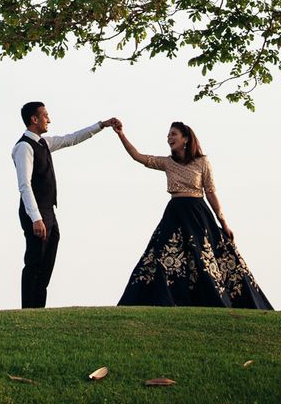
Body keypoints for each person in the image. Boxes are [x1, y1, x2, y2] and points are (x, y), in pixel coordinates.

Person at [113, 119, 272, 310]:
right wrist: (121, 135)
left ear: (185, 139)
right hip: (174, 213)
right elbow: (138, 156)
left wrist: (224, 222)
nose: (169, 138)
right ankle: (164, 300)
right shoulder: (167, 163)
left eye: (173, 134)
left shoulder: (202, 162)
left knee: (204, 257)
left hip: (197, 213)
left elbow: (211, 192)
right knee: (162, 255)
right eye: (168, 134)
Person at [13, 102, 120, 309]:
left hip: (49, 212)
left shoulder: (45, 143)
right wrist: (36, 218)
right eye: (45, 115)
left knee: (46, 264)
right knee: (34, 262)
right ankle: (27, 311)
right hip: (35, 213)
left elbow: (71, 139)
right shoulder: (24, 147)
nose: (49, 119)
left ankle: (38, 311)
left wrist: (102, 125)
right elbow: (24, 185)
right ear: (34, 119)